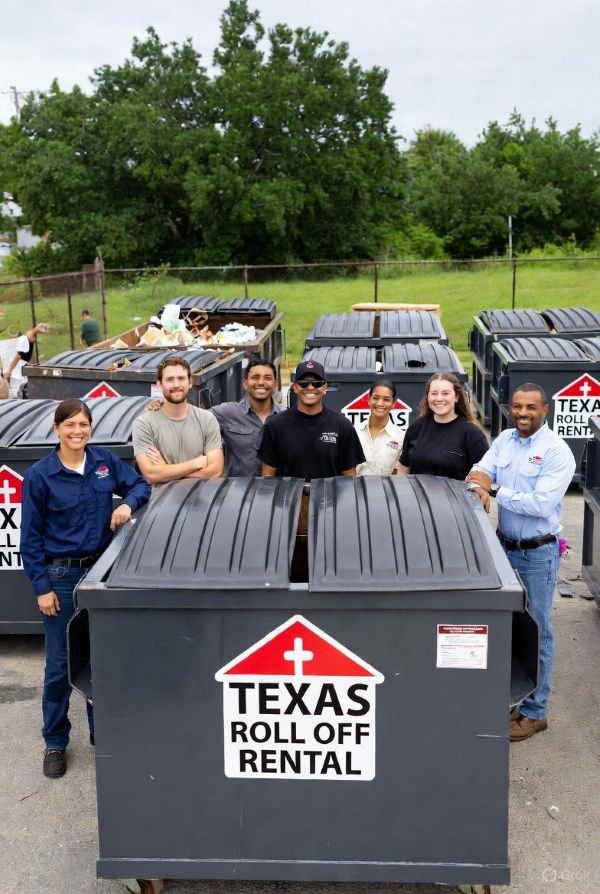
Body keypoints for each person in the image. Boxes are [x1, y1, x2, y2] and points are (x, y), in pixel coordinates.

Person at [20, 399, 151, 779]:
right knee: (60, 665)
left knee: (101, 658)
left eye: (83, 424)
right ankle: (55, 741)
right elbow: (29, 538)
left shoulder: (104, 462)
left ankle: (102, 732)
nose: (77, 431)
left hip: (100, 574)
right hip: (60, 579)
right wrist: (41, 587)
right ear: (56, 428)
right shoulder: (41, 475)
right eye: (69, 425)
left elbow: (140, 484)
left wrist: (127, 504)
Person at [467, 383, 575, 742]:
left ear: (545, 409)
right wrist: (481, 484)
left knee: (538, 631)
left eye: (531, 407)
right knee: (508, 628)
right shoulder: (504, 441)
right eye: (517, 406)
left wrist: (494, 489)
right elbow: (479, 471)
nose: (523, 413)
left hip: (536, 553)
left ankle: (535, 712)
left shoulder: (556, 452)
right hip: (504, 547)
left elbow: (540, 504)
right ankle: (512, 696)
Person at [259, 359, 365, 479]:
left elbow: (349, 480)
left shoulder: (343, 426)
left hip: (329, 498)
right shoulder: (274, 426)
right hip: (288, 498)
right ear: (295, 387)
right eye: (303, 382)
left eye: (317, 383)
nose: (310, 387)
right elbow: (267, 479)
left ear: (324, 388)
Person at [133, 355, 224, 485]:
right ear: (159, 384)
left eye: (181, 379)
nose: (176, 385)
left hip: (201, 501)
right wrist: (196, 463)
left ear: (190, 382)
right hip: (162, 502)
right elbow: (151, 475)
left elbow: (215, 472)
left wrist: (166, 471)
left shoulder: (207, 419)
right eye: (170, 379)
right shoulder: (144, 424)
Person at [398, 372, 488, 479]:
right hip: (418, 495)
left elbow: (482, 479)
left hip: (456, 495)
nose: (439, 398)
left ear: (457, 397)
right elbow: (404, 468)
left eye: (445, 393)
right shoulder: (416, 427)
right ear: (427, 397)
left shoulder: (473, 435)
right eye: (434, 393)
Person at [211, 357, 283, 476]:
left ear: (275, 384)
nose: (261, 382)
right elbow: (196, 418)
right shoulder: (226, 413)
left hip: (275, 491)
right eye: (255, 377)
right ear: (245, 383)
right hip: (238, 492)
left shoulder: (286, 416)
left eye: (268, 378)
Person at [356, 380, 404, 476]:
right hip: (355, 490)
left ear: (394, 403)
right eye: (375, 398)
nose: (380, 403)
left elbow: (398, 475)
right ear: (369, 400)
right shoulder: (354, 431)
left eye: (386, 399)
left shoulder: (401, 437)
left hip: (386, 491)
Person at [2, 322, 49, 398]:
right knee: (17, 390)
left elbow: (18, 356)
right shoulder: (23, 340)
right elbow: (18, 356)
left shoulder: (23, 340)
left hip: (19, 368)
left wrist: (36, 330)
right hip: (18, 369)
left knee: (19, 390)